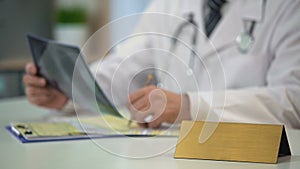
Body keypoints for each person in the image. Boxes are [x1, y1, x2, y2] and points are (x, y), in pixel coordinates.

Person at [23, 0, 300, 128]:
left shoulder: (288, 8)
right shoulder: (170, 5)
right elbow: (125, 67)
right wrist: (68, 90)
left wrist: (189, 106)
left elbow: (292, 101)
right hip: (175, 156)